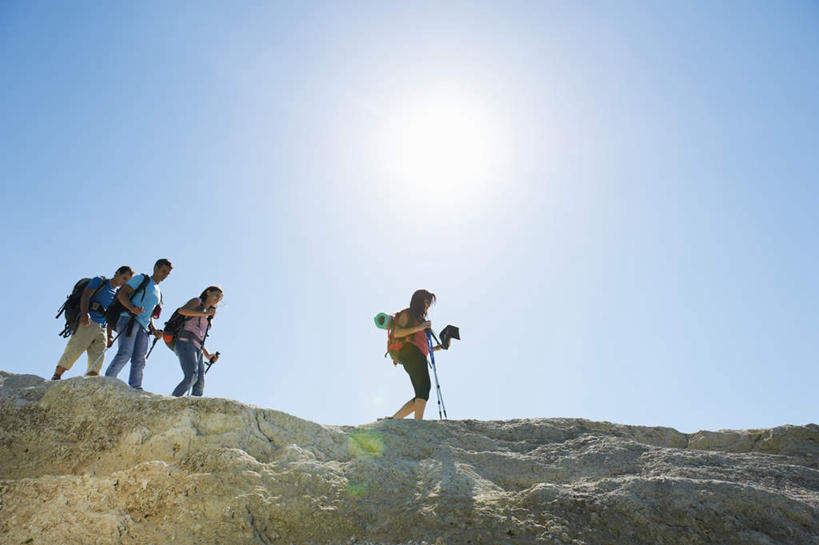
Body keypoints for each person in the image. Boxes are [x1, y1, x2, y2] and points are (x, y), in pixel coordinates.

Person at [51, 266, 135, 380]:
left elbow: (109, 315)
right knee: (75, 349)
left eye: (127, 281)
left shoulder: (117, 295)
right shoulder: (99, 281)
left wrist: (110, 335)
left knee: (97, 359)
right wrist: (85, 314)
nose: (124, 282)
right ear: (117, 273)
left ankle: (90, 381)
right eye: (124, 278)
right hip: (88, 322)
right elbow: (86, 295)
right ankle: (57, 375)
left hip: (102, 328)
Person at [104, 259, 172, 390]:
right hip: (129, 319)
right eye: (163, 271)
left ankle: (136, 388)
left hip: (143, 326)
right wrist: (131, 308)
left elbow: (150, 314)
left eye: (167, 273)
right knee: (125, 353)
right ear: (156, 268)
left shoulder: (158, 291)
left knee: (140, 359)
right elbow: (122, 294)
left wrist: (154, 330)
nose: (165, 275)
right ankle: (108, 381)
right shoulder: (142, 279)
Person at [388, 289, 443, 420]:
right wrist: (420, 327)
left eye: (429, 302)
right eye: (426, 301)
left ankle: (394, 420)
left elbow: (421, 346)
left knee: (422, 391)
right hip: (409, 351)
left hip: (416, 353)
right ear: (419, 301)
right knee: (423, 388)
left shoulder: (419, 320)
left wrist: (438, 348)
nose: (428, 305)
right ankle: (418, 422)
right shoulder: (407, 314)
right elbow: (396, 333)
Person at [171, 286, 223, 397]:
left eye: (220, 298)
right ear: (208, 292)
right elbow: (182, 311)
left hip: (197, 348)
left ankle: (193, 408)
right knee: (191, 377)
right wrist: (205, 314)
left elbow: (199, 337)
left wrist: (207, 355)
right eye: (216, 295)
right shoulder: (197, 301)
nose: (218, 299)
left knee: (200, 382)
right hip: (184, 342)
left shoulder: (208, 315)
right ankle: (171, 403)